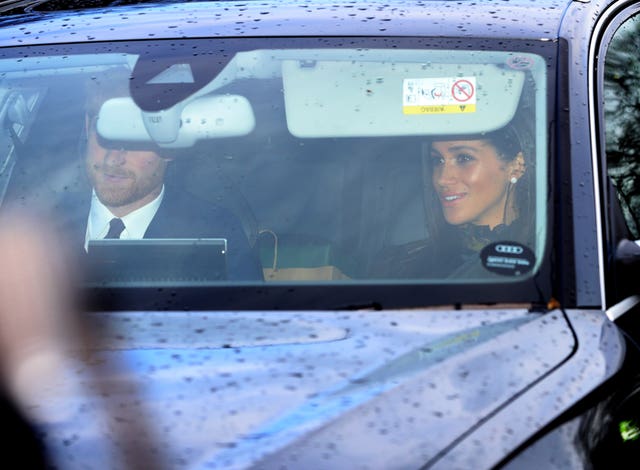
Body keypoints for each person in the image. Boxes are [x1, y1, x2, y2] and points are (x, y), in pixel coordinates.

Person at [58, 68, 262, 281]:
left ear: (171, 146)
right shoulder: (35, 228)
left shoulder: (215, 234)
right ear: (87, 126)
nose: (113, 159)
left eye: (136, 138)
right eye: (105, 132)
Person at [372, 124, 534, 279]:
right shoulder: (405, 264)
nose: (442, 179)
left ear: (517, 165)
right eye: (437, 160)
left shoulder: (544, 262)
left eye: (464, 158)